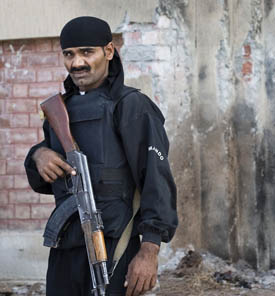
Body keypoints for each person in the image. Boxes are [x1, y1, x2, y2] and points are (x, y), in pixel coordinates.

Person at [24, 16, 178, 296]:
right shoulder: (59, 112)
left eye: (87, 52)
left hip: (115, 246)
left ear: (108, 52)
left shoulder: (131, 106)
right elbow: (48, 181)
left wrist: (149, 251)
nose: (77, 63)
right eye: (69, 54)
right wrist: (38, 155)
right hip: (65, 251)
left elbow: (157, 181)